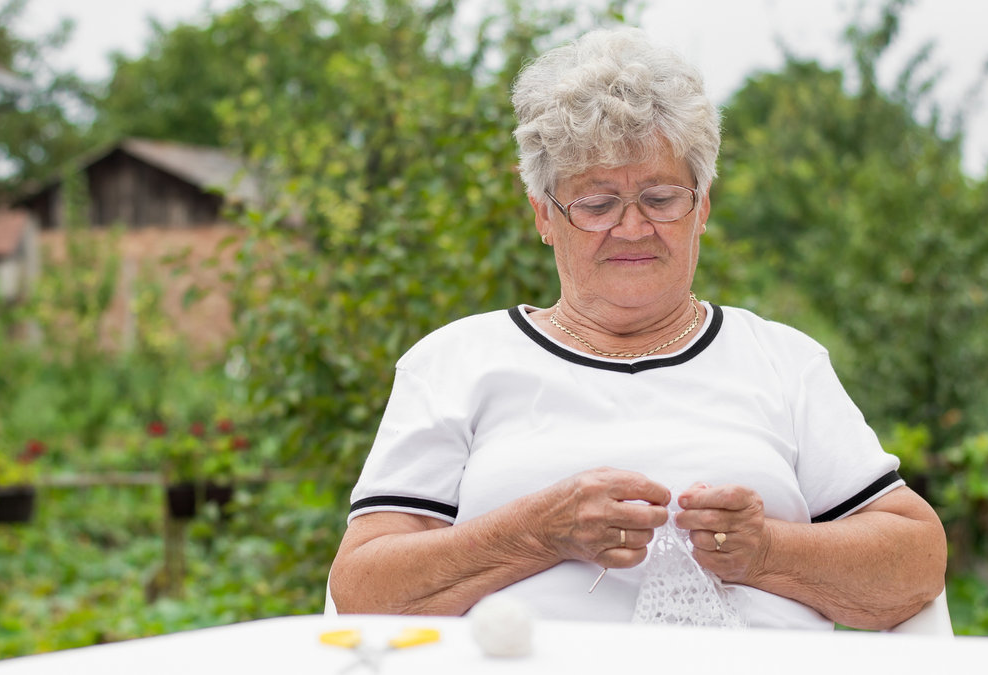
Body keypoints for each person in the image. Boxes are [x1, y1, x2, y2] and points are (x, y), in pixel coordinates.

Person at [328, 27, 946, 630]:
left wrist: (767, 551)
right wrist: (536, 532)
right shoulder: (455, 362)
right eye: (596, 204)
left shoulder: (784, 361)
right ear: (544, 216)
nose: (631, 228)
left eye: (661, 197)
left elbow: (915, 563)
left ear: (701, 208)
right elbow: (362, 586)